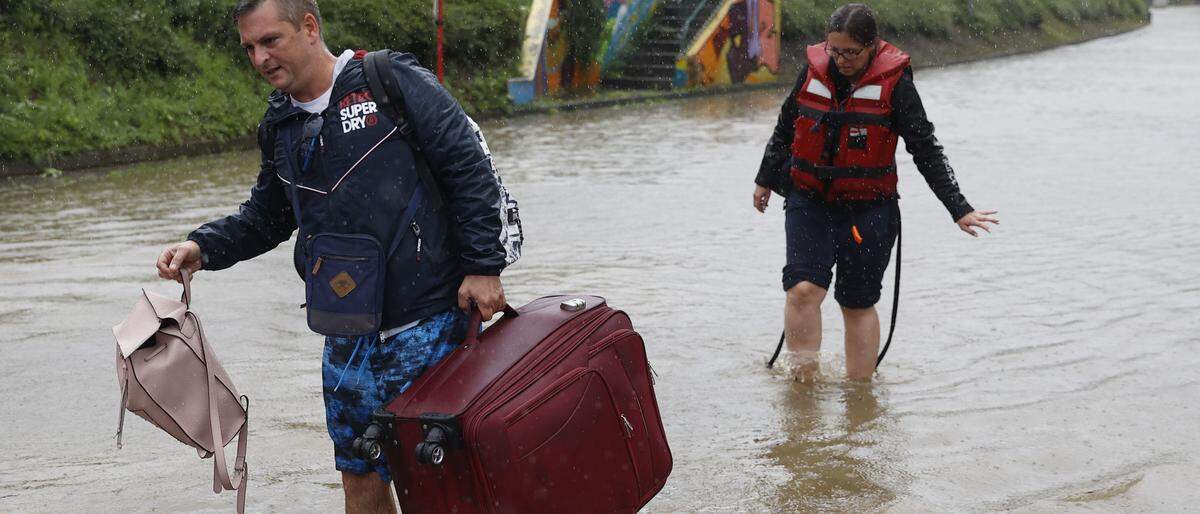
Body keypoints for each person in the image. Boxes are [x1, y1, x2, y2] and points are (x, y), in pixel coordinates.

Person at [154, 1, 508, 511]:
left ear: (309, 27)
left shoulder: (390, 81)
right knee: (360, 479)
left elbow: (468, 169)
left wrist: (483, 266)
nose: (259, 58)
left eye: (270, 40)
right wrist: (203, 247)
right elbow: (268, 217)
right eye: (249, 47)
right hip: (346, 337)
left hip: (430, 323)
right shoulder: (280, 125)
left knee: (440, 485)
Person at [752, 3, 998, 382]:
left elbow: (926, 148)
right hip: (809, 199)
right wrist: (765, 178)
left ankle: (860, 399)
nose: (841, 60)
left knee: (857, 303)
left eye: (851, 52)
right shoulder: (812, 71)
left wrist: (958, 207)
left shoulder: (897, 85)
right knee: (802, 290)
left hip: (868, 210)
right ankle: (802, 391)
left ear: (872, 47)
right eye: (835, 50)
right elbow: (786, 127)